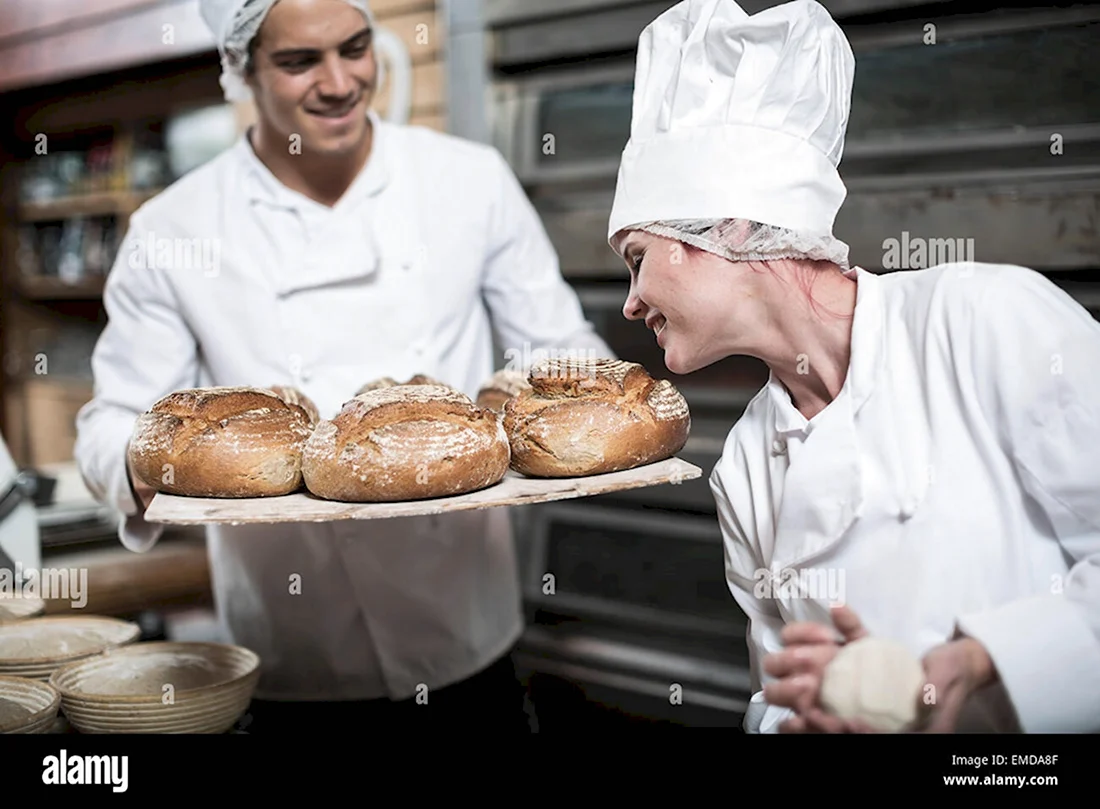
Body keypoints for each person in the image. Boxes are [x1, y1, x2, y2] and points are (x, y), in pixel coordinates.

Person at [74, 0, 613, 734]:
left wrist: (590, 408)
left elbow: (558, 351)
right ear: (242, 70)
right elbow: (112, 422)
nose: (339, 82)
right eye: (299, 62)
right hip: (293, 654)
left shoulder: (467, 181)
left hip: (465, 642)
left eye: (354, 47)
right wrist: (153, 465)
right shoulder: (176, 229)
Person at [606, 0, 1100, 733]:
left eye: (638, 260)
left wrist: (979, 658)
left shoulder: (983, 320)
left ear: (731, 222)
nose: (629, 303)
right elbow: (769, 696)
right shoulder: (745, 462)